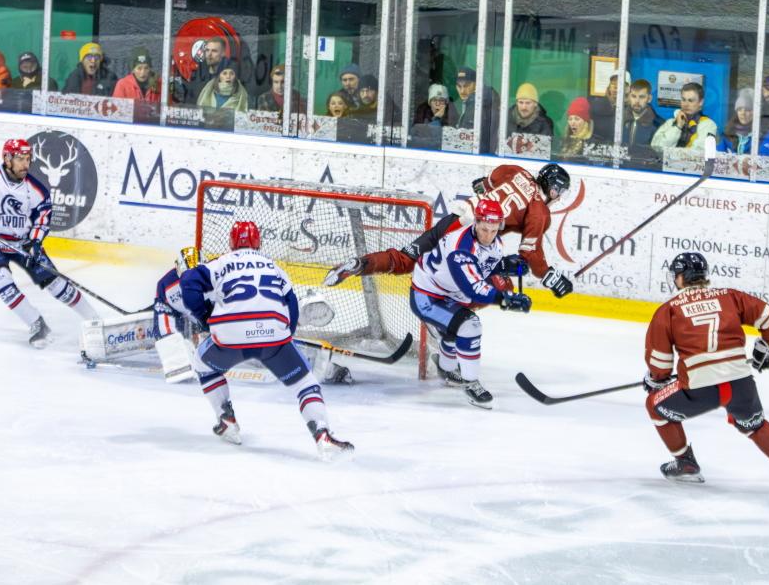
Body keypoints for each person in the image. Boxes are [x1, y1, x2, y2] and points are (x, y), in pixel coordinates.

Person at [179, 221, 353, 458]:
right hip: (273, 339)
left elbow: (188, 284)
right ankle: (323, 435)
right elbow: (292, 306)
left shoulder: (219, 263)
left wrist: (205, 317)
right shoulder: (274, 266)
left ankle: (226, 419)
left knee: (202, 365)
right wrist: (285, 336)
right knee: (305, 383)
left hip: (230, 336)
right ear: (258, 242)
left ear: (231, 243)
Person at [643, 251, 769, 487]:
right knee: (754, 425)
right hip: (740, 382)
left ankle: (685, 462)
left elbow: (660, 363)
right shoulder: (729, 297)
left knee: (654, 405)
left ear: (679, 277)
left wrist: (655, 379)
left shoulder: (668, 310)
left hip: (700, 389)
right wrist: (768, 346)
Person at [324, 163, 574, 301]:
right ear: (553, 189)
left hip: (456, 217)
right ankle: (448, 329)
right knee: (484, 285)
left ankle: (360, 264)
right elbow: (530, 252)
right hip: (471, 236)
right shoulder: (540, 211)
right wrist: (549, 276)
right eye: (559, 192)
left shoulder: (515, 171)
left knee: (406, 259)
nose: (558, 197)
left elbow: (482, 184)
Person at [409, 199, 531, 408]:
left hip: (449, 293)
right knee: (470, 326)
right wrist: (505, 299)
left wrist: (504, 265)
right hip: (427, 296)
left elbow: (481, 266)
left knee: (453, 332)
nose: (488, 235)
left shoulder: (495, 243)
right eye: (484, 229)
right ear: (476, 222)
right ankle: (471, 384)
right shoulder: (460, 248)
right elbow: (473, 287)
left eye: (494, 230)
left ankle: (446, 369)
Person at [0, 139, 99, 347]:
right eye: (20, 159)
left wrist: (35, 242)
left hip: (23, 243)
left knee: (56, 283)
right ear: (7, 158)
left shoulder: (36, 190)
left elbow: (42, 219)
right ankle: (37, 324)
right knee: (0, 278)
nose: (25, 164)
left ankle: (95, 321)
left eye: (28, 159)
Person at [651, 82, 718, 150]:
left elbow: (698, 151)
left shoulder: (708, 125)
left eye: (690, 100)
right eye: (683, 100)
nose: (686, 104)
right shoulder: (670, 123)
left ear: (701, 102)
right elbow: (656, 147)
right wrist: (677, 127)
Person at [453, 67, 500, 153]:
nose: (462, 91)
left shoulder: (479, 104)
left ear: (476, 84)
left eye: (466, 86)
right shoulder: (472, 102)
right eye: (459, 86)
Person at [718, 88, 769, 156]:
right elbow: (718, 155)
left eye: (747, 109)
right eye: (739, 109)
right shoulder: (729, 131)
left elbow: (763, 159)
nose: (743, 113)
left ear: (756, 112)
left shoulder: (767, 134)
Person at [555, 96, 603, 161]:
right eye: (570, 119)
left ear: (585, 122)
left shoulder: (592, 143)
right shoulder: (564, 140)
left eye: (577, 119)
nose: (572, 123)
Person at [181, 37, 227, 103]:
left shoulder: (230, 75)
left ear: (223, 53)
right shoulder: (198, 74)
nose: (209, 54)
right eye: (207, 50)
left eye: (214, 51)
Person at [622, 79, 661, 155]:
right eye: (633, 96)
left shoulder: (658, 124)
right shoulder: (619, 119)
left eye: (642, 97)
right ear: (629, 97)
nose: (637, 101)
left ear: (649, 99)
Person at [590, 69, 630, 141]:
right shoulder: (597, 106)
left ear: (628, 89)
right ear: (609, 86)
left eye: (620, 83)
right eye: (613, 83)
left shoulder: (631, 111)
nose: (616, 87)